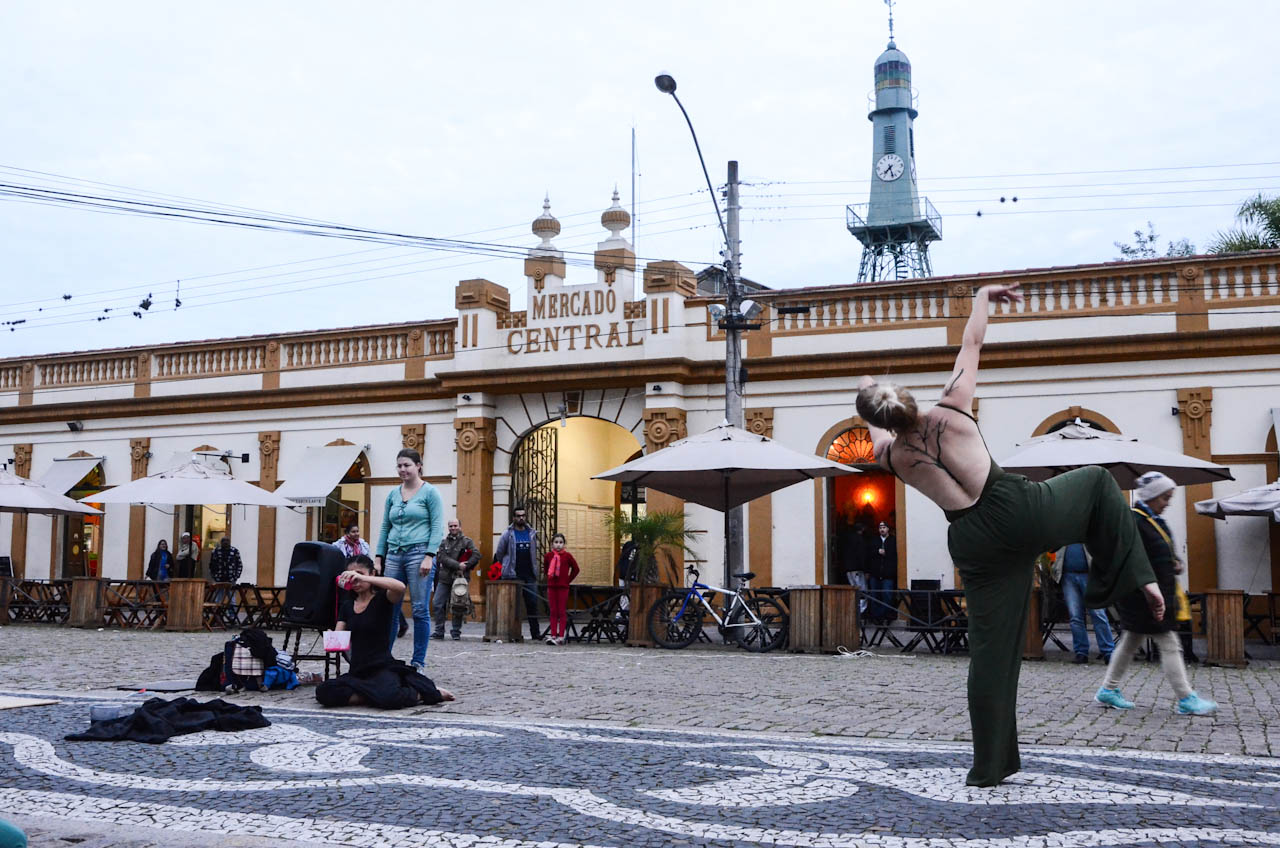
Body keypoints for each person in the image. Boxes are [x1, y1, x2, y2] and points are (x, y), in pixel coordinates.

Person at [856, 281, 1166, 788]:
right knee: (1095, 481)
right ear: (907, 398)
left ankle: (989, 766)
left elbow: (876, 427)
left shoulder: (888, 454)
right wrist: (982, 296)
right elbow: (971, 342)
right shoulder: (951, 407)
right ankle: (1139, 580)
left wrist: (868, 392)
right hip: (1016, 508)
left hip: (974, 540)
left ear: (877, 418)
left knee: (991, 652)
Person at [1095, 472, 1217, 716]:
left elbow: (1157, 552)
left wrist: (1174, 563)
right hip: (1145, 597)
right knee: (1170, 644)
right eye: (1164, 498)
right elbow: (1134, 559)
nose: (1168, 502)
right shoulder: (1136, 521)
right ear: (1151, 497)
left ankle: (1108, 689)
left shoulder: (1151, 520)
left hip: (1152, 595)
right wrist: (1152, 590)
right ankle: (1186, 698)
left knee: (1130, 642)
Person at [316, 554, 454, 709]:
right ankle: (371, 695)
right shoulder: (347, 606)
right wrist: (331, 638)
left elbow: (400, 587)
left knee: (390, 698)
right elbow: (338, 643)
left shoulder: (383, 599)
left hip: (381, 668)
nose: (355, 580)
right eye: (351, 576)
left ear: (372, 574)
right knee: (324, 692)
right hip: (358, 672)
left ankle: (420, 693)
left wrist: (365, 579)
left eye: (360, 575)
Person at [376, 448, 444, 673]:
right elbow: (386, 526)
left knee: (419, 609)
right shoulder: (393, 494)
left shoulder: (430, 493)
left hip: (419, 554)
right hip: (394, 555)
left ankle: (418, 662)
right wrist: (379, 557)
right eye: (399, 466)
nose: (403, 469)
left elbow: (436, 527)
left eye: (407, 465)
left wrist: (429, 556)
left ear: (418, 466)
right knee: (390, 609)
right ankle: (383, 658)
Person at [1055, 542, 1116, 664]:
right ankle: (1081, 653)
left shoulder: (1088, 526)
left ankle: (1109, 652)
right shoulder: (1063, 530)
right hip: (1068, 576)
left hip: (1090, 575)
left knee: (1098, 614)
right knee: (1075, 617)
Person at [492, 506, 541, 640]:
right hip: (513, 575)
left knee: (532, 604)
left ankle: (535, 633)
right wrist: (507, 565)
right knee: (512, 606)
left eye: (523, 515)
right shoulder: (507, 534)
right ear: (513, 518)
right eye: (518, 516)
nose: (521, 518)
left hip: (529, 574)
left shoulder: (531, 533)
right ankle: (511, 633)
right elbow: (500, 553)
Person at [431, 518, 481, 641]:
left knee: (458, 605)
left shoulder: (467, 542)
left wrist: (467, 564)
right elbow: (442, 557)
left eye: (455, 525)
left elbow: (477, 555)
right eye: (451, 526)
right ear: (448, 528)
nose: (453, 528)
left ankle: (456, 631)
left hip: (460, 579)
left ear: (460, 526)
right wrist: (458, 565)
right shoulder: (443, 543)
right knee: (437, 603)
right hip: (445, 578)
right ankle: (439, 630)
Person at [542, 532, 580, 645]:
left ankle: (561, 636)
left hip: (563, 587)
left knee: (561, 611)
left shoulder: (567, 556)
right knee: (553, 611)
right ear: (552, 544)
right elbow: (545, 569)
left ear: (564, 544)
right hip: (552, 586)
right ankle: (553, 634)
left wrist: (567, 580)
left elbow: (576, 569)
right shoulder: (548, 556)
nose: (558, 545)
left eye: (561, 542)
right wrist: (549, 578)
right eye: (556, 542)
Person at [866, 521, 898, 624]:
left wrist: (886, 553)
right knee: (875, 596)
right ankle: (877, 618)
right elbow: (868, 553)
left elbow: (895, 554)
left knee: (887, 595)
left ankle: (885, 616)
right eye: (880, 528)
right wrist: (877, 552)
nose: (882, 529)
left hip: (888, 574)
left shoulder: (893, 540)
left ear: (888, 529)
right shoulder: (874, 540)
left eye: (884, 527)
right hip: (875, 573)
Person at [208, 535, 244, 619]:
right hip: (219, 579)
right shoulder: (215, 551)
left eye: (227, 541)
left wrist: (236, 576)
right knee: (218, 599)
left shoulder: (235, 551)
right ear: (221, 542)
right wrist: (214, 577)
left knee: (232, 599)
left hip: (231, 579)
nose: (225, 542)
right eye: (223, 541)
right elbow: (211, 565)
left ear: (229, 542)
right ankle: (217, 616)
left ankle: (233, 616)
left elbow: (239, 565)